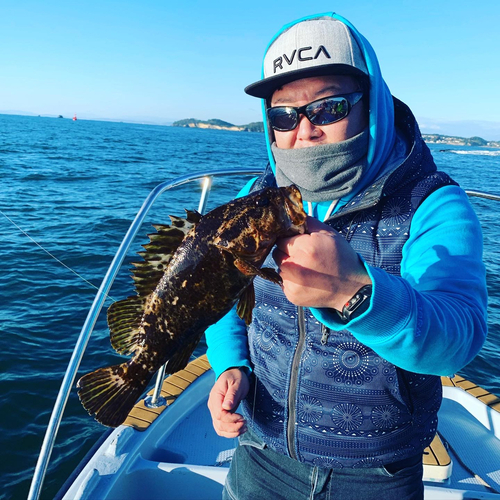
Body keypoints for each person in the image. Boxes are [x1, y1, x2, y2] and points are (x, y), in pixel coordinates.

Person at [205, 12, 488, 500]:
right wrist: (231, 364)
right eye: (283, 116)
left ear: (371, 107)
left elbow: (458, 338)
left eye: (329, 108)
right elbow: (224, 292)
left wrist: (355, 293)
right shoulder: (260, 196)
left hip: (377, 472)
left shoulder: (432, 204)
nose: (305, 131)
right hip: (259, 446)